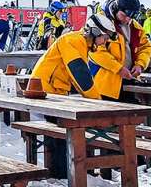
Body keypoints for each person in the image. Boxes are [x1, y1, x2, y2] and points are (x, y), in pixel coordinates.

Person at [31, 12, 121, 177]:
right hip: (46, 91)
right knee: (63, 131)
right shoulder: (73, 41)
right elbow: (80, 74)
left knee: (63, 130)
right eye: (104, 37)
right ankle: (63, 173)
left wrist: (93, 99)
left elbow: (78, 76)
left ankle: (65, 171)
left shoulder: (80, 43)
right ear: (94, 32)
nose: (105, 42)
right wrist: (98, 101)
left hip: (52, 91)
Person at [100, 0, 151, 84]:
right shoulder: (99, 22)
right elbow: (96, 51)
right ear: (115, 9)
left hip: (129, 79)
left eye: (131, 17)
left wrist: (140, 64)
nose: (127, 19)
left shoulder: (135, 27)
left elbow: (145, 47)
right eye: (123, 16)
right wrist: (118, 69)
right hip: (105, 82)